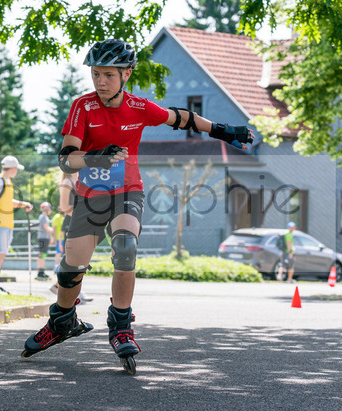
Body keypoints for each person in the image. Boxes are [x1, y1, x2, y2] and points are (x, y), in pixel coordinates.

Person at [23, 39, 254, 369]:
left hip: (127, 192)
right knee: (71, 269)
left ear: (126, 74)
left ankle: (121, 327)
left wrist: (222, 130)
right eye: (96, 74)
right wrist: (94, 157)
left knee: (126, 247)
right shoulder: (82, 107)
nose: (101, 81)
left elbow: (180, 118)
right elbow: (66, 159)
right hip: (90, 197)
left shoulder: (138, 107)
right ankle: (62, 322)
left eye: (109, 75)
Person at [0, 156, 33, 293]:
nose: (16, 171)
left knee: (1, 254)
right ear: (12, 168)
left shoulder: (7, 182)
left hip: (7, 223)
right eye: (16, 169)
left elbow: (8, 202)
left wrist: (24, 204)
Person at [49, 171, 93, 302]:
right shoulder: (67, 182)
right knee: (73, 260)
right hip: (72, 224)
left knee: (80, 261)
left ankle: (60, 286)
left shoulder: (81, 180)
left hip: (82, 223)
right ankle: (69, 290)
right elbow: (64, 207)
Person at [36, 202, 55, 281]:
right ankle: (40, 272)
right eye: (49, 208)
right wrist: (54, 230)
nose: (50, 210)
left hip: (44, 238)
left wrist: (51, 237)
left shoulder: (45, 217)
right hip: (42, 238)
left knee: (43, 254)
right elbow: (46, 228)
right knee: (42, 254)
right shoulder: (43, 217)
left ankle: (42, 271)